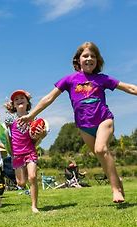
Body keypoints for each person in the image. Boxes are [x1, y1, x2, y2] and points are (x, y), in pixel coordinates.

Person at [19, 41, 137, 203]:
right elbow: (49, 98)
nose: (89, 59)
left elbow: (129, 88)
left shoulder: (102, 79)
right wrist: (32, 115)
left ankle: (115, 189)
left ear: (98, 60)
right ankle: (117, 180)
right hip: (84, 127)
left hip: (104, 120)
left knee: (101, 149)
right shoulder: (69, 80)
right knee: (101, 157)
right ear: (78, 60)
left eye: (93, 56)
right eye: (85, 56)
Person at [0, 89, 47, 213]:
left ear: (28, 102)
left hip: (30, 151)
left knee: (33, 177)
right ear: (13, 105)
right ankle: (25, 178)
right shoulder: (10, 119)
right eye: (16, 99)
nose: (19, 100)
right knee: (21, 183)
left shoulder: (34, 118)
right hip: (17, 154)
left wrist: (43, 133)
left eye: (22, 98)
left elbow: (40, 134)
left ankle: (34, 206)